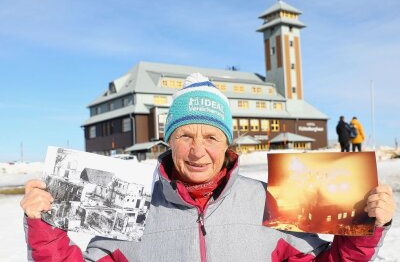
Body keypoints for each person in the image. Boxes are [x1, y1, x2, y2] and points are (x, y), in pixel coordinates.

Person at [21, 73, 396, 261]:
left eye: (211, 137)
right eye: (185, 135)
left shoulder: (268, 200)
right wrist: (44, 229)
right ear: (169, 142)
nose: (198, 151)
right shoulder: (133, 205)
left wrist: (363, 228)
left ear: (227, 144)